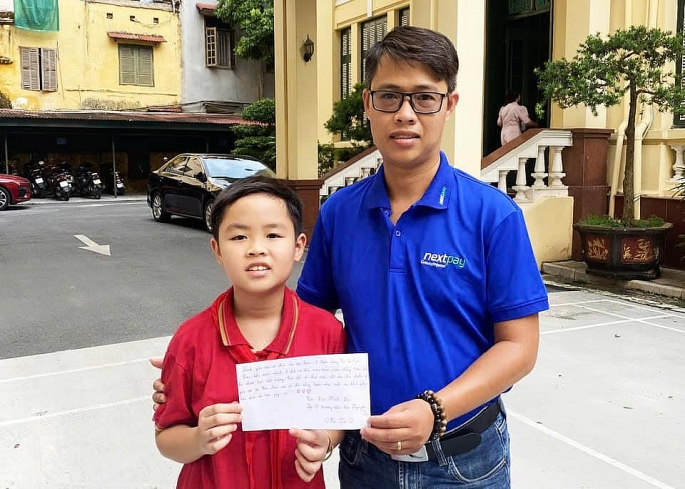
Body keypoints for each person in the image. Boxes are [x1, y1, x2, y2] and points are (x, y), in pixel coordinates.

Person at [154, 25, 548, 488]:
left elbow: (519, 348)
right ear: (367, 104)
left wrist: (434, 409)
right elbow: (304, 325)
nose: (405, 114)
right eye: (389, 97)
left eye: (425, 98)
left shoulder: (492, 216)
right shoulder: (340, 213)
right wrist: (196, 373)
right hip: (364, 457)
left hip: (464, 458)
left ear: (450, 104)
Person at [152, 176, 346, 488]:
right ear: (217, 250)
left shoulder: (327, 333)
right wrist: (198, 439)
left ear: (298, 246)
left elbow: (339, 414)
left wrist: (325, 441)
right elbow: (166, 437)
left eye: (273, 235)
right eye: (239, 237)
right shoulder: (191, 339)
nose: (256, 249)